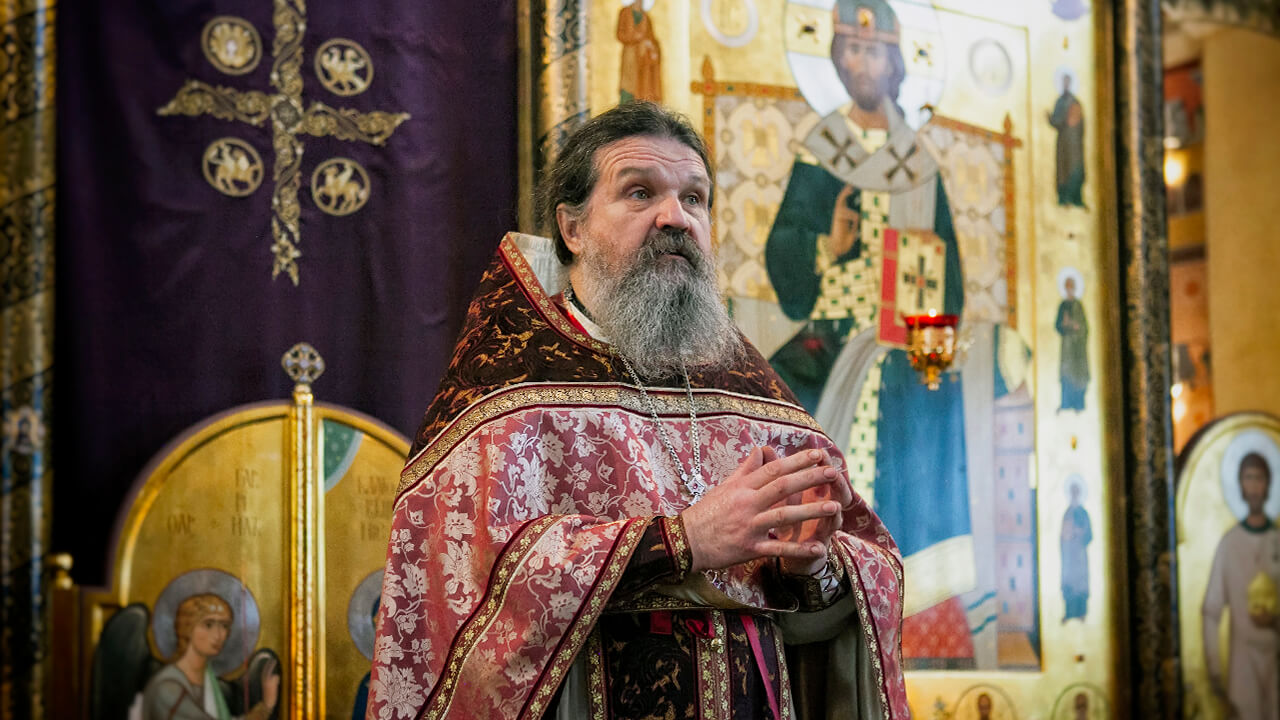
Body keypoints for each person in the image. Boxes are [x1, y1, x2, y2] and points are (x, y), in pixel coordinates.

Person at [368, 101, 907, 719]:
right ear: (572, 229)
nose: (675, 217)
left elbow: (864, 573)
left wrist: (809, 567)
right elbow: (468, 589)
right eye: (640, 192)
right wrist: (685, 540)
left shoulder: (755, 391)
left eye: (696, 199)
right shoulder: (509, 383)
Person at [764, 0, 976, 666]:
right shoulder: (821, 149)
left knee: (932, 415)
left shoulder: (920, 161)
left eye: (876, 50)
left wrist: (929, 329)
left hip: (906, 345)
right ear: (834, 58)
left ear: (897, 62)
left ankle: (919, 627)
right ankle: (797, 604)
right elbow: (784, 253)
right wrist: (827, 242)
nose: (863, 64)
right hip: (831, 333)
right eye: (851, 51)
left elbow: (952, 278)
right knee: (771, 403)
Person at [1202, 452, 1280, 720]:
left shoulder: (1277, 539)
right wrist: (1214, 668)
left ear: (1268, 484)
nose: (1254, 486)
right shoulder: (1230, 543)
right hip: (1242, 659)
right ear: (1240, 485)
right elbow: (1211, 610)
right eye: (1248, 478)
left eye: (1259, 478)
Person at [141, 593, 280, 720]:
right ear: (187, 627)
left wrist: (266, 706)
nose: (218, 635)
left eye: (224, 626)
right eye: (208, 625)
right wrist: (265, 708)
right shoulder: (167, 687)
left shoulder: (208, 679)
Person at [1047, 73, 1085, 207]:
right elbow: (1056, 121)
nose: (1066, 84)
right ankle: (1063, 198)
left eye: (1068, 82)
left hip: (1075, 144)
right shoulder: (1059, 101)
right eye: (1064, 82)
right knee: (1063, 169)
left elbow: (1081, 123)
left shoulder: (1075, 102)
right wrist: (1050, 118)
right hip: (1063, 143)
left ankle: (1076, 198)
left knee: (1076, 169)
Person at [1059, 479, 1092, 622]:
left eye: (1076, 492)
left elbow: (1089, 534)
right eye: (1072, 492)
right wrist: (1065, 537)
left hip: (1079, 554)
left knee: (1080, 583)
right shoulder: (1067, 512)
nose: (1074, 495)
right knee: (1069, 581)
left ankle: (1081, 613)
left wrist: (1080, 533)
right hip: (1069, 554)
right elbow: (1062, 534)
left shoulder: (1083, 512)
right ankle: (1069, 612)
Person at [1054, 276, 1089, 412]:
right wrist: (1064, 325)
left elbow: (1085, 328)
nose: (1069, 289)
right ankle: (1066, 403)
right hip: (1067, 347)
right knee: (1067, 374)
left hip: (1078, 348)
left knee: (1079, 374)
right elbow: (1057, 325)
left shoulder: (1078, 305)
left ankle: (1079, 404)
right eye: (1067, 286)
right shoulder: (1063, 305)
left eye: (1071, 286)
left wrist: (1076, 326)